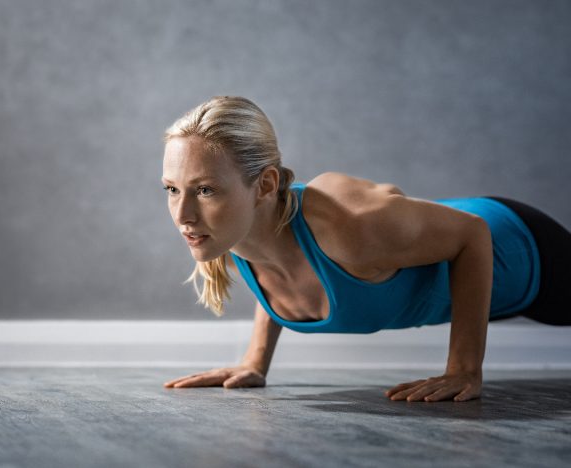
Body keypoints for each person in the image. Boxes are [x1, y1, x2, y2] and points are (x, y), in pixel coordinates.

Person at [160, 95, 571, 402]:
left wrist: (464, 370)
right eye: (172, 189)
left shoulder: (346, 225)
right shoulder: (234, 230)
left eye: (206, 190)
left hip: (525, 252)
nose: (183, 214)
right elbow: (280, 268)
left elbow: (473, 233)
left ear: (265, 185)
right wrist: (254, 363)